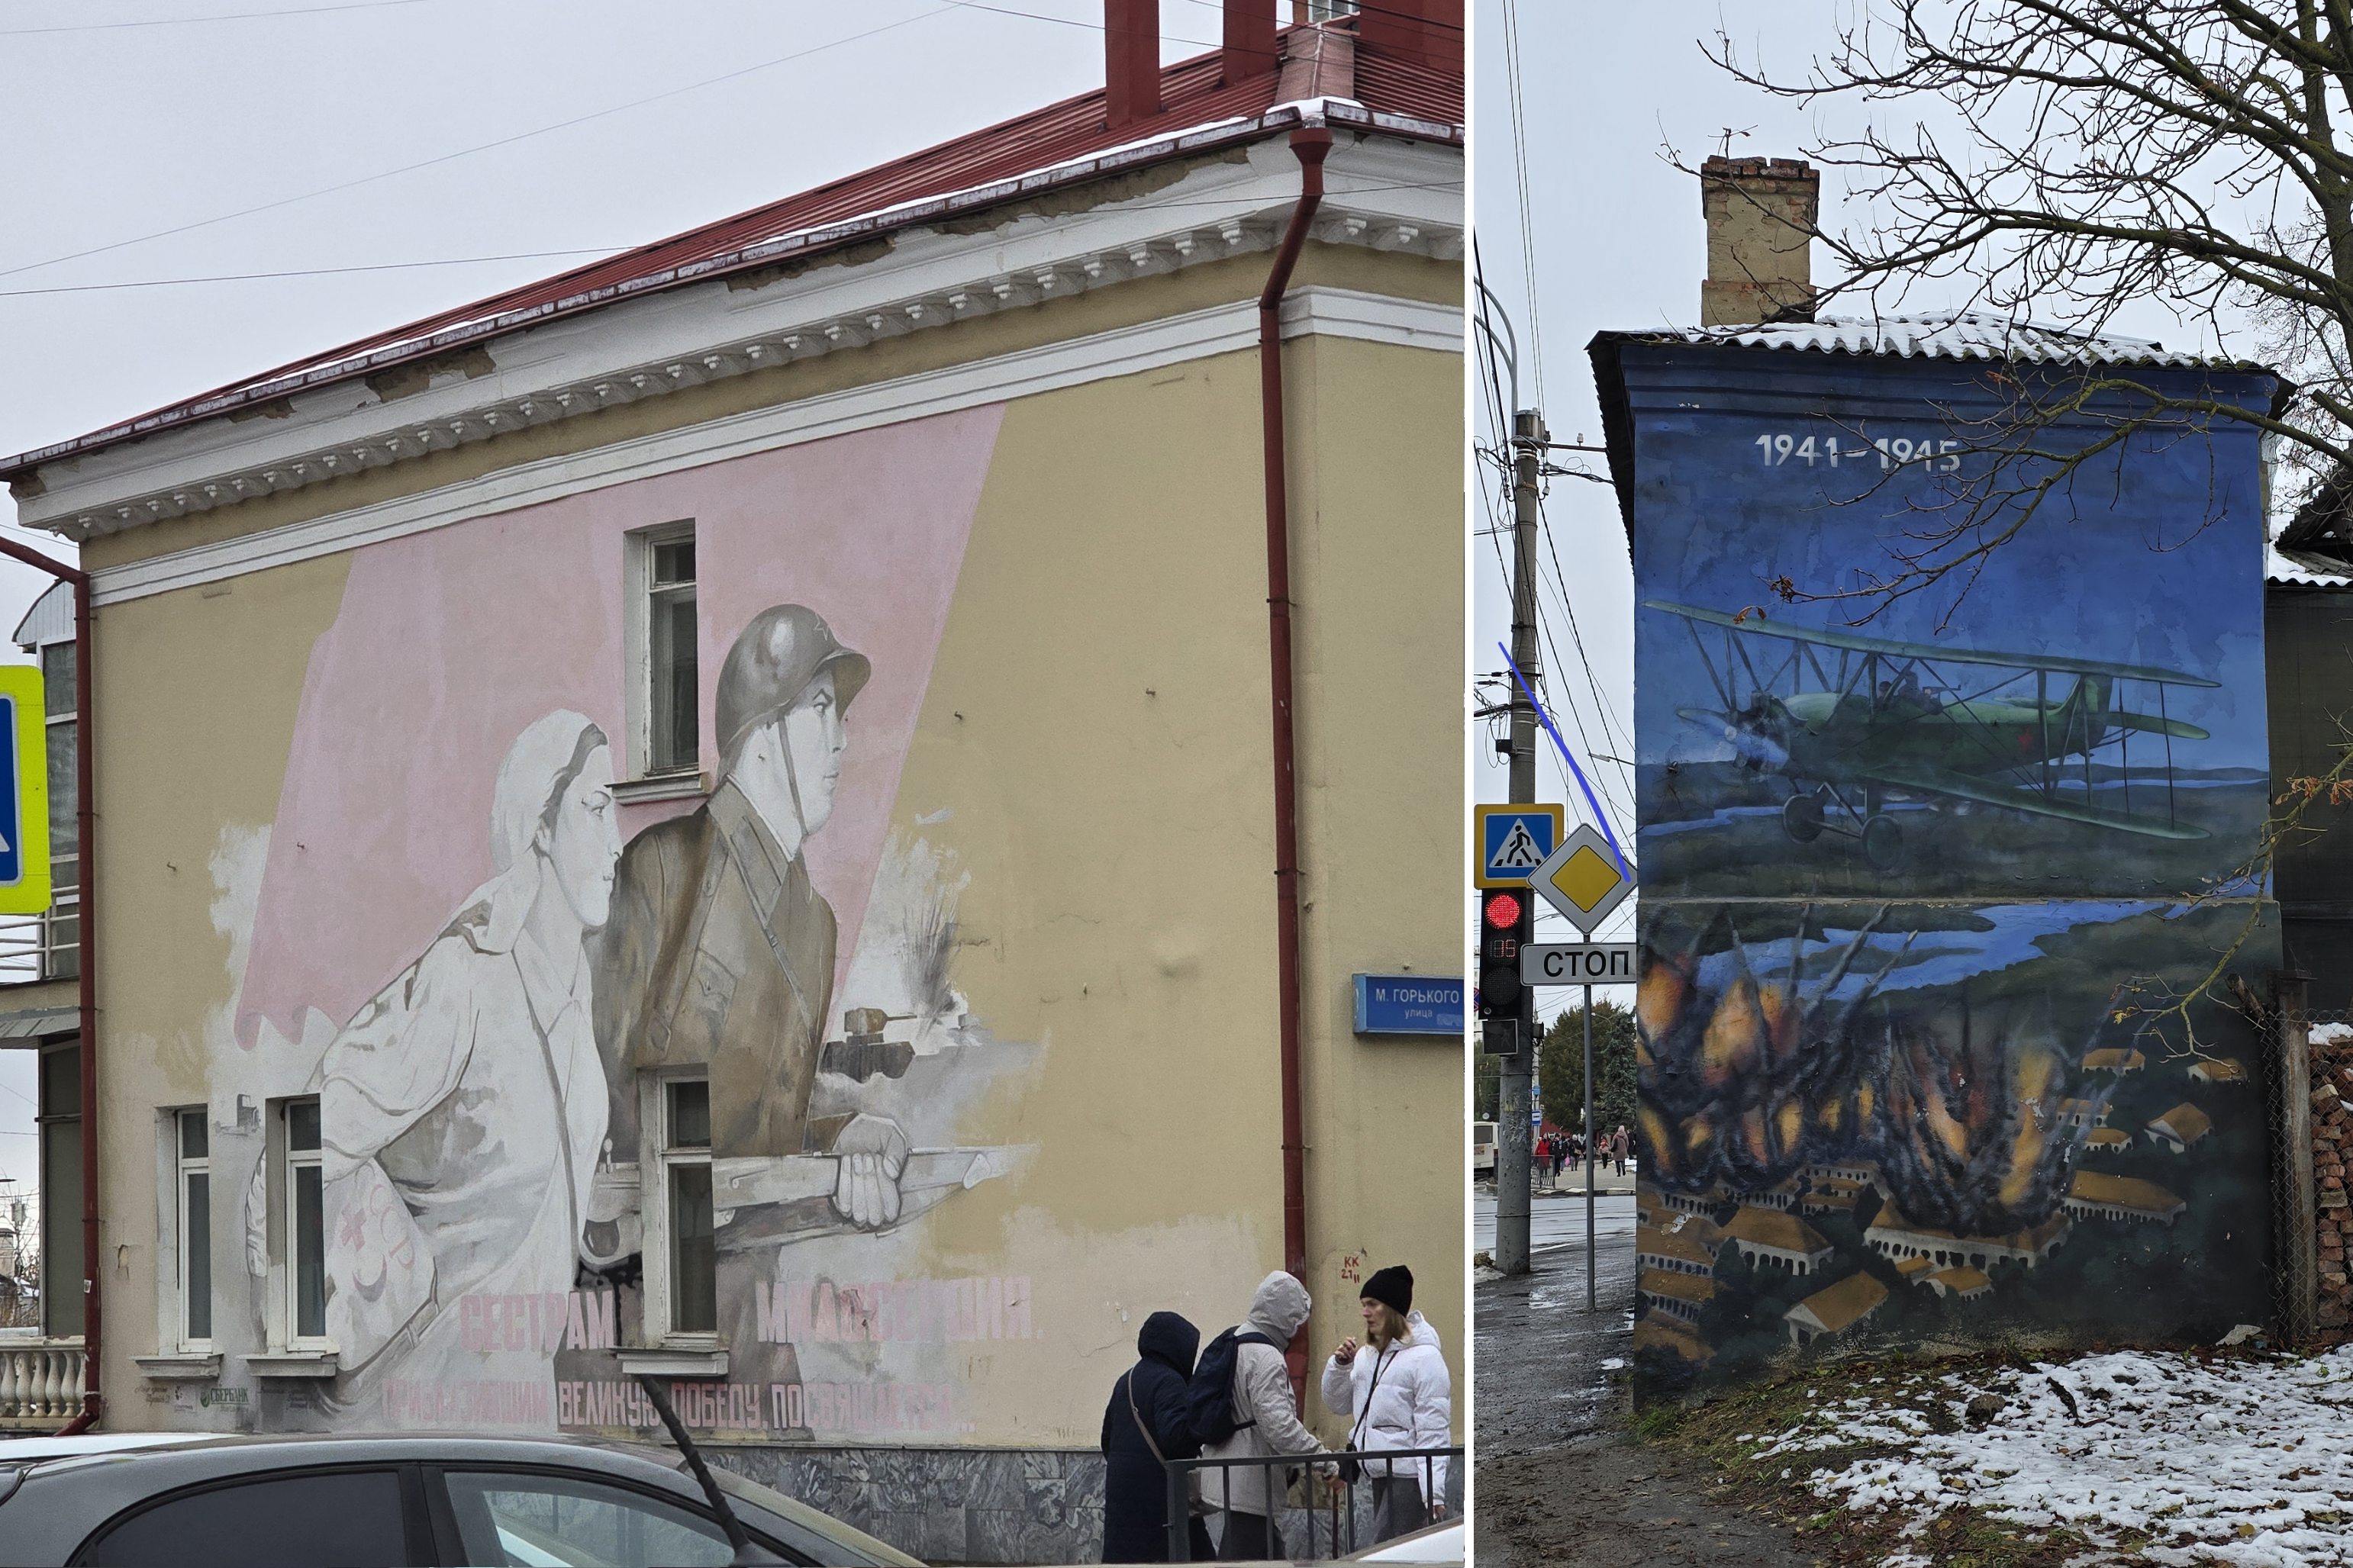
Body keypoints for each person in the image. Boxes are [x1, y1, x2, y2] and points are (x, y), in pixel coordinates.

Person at [314, 711, 623, 1422]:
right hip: (427, 1416)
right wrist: (327, 1319)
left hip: (524, 1406)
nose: (616, 845)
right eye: (597, 810)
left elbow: (544, 1202)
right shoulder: (467, 979)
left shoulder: (575, 995)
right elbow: (297, 1148)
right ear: (539, 827)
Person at [595, 604, 906, 1228]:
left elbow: (764, 1128)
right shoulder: (661, 868)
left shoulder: (816, 926)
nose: (841, 737)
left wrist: (843, 1135)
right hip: (644, 1272)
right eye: (819, 708)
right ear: (761, 734)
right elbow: (596, 1099)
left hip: (746, 1279)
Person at [1202, 1270, 1329, 1560]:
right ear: (1284, 1317)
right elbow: (1280, 1427)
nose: (1297, 1329)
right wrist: (1325, 1460)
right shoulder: (1266, 1357)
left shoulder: (1234, 1340)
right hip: (1251, 1482)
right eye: (1296, 1320)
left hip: (1228, 1471)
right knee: (1242, 1556)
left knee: (1269, 1553)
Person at [1320, 1267, 1451, 1544]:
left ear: (1391, 1308)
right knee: (1392, 1554)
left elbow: (1434, 1429)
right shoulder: (1368, 1356)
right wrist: (1340, 1367)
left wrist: (1433, 1491)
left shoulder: (1426, 1358)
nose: (1365, 1312)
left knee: (1383, 1554)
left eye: (1372, 1305)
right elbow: (1340, 1405)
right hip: (1378, 1474)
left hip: (1409, 1479)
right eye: (1363, 1305)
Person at [1100, 1312, 1214, 1563]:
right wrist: (1203, 1425)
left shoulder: (1125, 1380)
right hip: (1161, 1504)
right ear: (1178, 1347)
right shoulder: (1170, 1381)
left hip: (1124, 1504)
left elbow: (1106, 1440)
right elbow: (1176, 1441)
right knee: (1196, 1557)